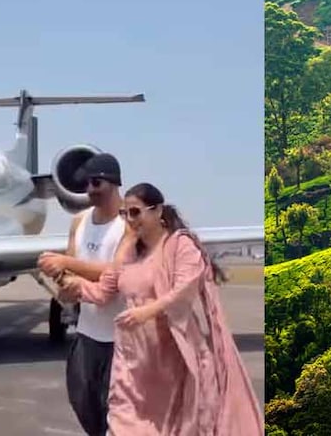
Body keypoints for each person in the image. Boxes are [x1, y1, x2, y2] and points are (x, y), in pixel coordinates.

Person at [61, 182, 263, 435]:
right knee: (122, 424)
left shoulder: (180, 246)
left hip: (174, 363)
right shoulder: (128, 253)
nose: (129, 220)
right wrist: (75, 285)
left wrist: (148, 311)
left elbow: (184, 288)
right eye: (124, 214)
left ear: (157, 211)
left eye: (135, 212)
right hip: (133, 366)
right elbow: (104, 291)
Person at [37, 152, 134, 436]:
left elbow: (116, 271)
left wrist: (66, 264)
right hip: (87, 336)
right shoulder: (79, 221)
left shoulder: (128, 223)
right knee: (84, 403)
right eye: (86, 183)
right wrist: (64, 283)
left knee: (116, 414)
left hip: (121, 341)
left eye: (96, 183)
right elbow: (70, 270)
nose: (89, 190)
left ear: (114, 183)